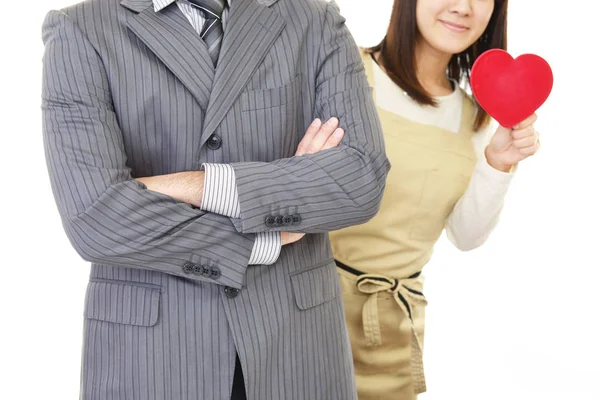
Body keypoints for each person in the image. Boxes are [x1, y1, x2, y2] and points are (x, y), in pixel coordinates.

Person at [40, 0, 391, 398]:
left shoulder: (314, 18)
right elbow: (95, 220)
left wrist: (198, 185)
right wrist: (264, 239)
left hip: (296, 349)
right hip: (150, 357)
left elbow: (361, 179)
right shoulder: (81, 29)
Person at [328, 0, 541, 398]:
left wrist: (498, 162)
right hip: (309, 306)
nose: (462, 7)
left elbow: (465, 235)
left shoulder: (476, 118)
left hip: (392, 327)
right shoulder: (343, 69)